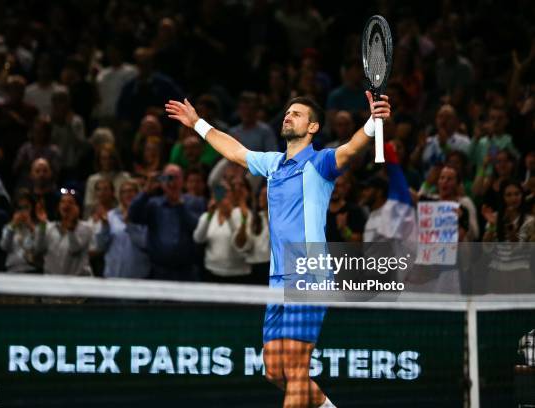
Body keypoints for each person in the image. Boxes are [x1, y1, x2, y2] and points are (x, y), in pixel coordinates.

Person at [166, 90, 391, 408]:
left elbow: (351, 149)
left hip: (308, 274)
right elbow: (235, 151)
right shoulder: (272, 164)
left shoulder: (319, 163)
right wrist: (198, 124)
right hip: (278, 279)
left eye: (297, 114)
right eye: (287, 112)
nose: (288, 116)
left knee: (297, 371)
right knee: (274, 370)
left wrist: (372, 122)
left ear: (313, 128)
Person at [129, 164, 206, 281]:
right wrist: (146, 191)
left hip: (187, 271)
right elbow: (133, 216)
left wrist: (179, 205)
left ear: (182, 181)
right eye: (168, 178)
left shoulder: (195, 202)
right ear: (162, 181)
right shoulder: (153, 204)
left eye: (176, 178)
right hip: (160, 271)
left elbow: (197, 228)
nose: (172, 183)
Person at [193, 176, 251, 282]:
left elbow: (243, 244)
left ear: (233, 195)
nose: (223, 194)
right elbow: (198, 239)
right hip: (211, 272)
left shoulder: (241, 213)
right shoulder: (207, 216)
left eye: (226, 191)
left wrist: (229, 218)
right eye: (219, 191)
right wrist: (210, 215)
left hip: (238, 274)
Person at [96, 180, 150, 279]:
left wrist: (129, 225)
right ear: (119, 196)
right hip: (112, 276)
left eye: (131, 191)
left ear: (138, 194)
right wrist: (105, 226)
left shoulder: (145, 216)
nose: (127, 194)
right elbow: (101, 246)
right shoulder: (110, 215)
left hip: (138, 278)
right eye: (124, 192)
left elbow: (145, 243)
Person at [34, 189, 93, 277]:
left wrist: (71, 229)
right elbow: (39, 249)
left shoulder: (86, 228)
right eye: (63, 202)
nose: (66, 205)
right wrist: (42, 224)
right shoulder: (49, 227)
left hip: (77, 282)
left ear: (78, 207)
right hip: (51, 281)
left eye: (70, 202)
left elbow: (74, 250)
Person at [233, 184, 271, 285]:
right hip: (255, 266)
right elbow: (245, 246)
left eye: (265, 194)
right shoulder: (254, 218)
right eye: (260, 195)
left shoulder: (282, 219)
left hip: (273, 266)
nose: (261, 198)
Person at [0, 189, 39, 273]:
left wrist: (31, 227)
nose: (22, 211)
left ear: (32, 207)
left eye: (26, 207)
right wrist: (12, 226)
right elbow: (4, 246)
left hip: (32, 270)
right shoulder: (9, 227)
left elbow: (40, 247)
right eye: (19, 208)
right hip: (13, 270)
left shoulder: (38, 226)